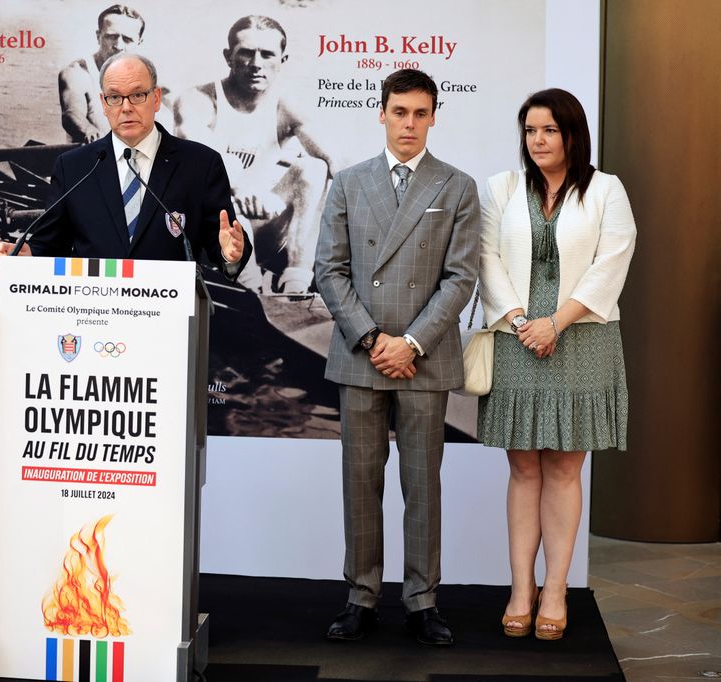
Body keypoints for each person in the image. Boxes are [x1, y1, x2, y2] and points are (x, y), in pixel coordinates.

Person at [315, 69, 480, 646]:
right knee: (360, 483)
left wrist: (409, 343)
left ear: (434, 116)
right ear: (380, 112)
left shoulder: (456, 187)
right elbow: (328, 271)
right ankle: (360, 597)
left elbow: (461, 278)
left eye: (420, 113)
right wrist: (371, 338)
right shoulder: (348, 182)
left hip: (423, 358)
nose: (409, 123)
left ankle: (422, 600)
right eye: (399, 111)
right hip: (363, 356)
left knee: (422, 484)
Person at [478, 88, 635, 640]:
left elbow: (611, 261)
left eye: (549, 129)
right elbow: (486, 257)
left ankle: (557, 587)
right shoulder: (501, 187)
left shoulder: (606, 190)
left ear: (572, 134)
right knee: (523, 467)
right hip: (517, 336)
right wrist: (524, 321)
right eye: (529, 130)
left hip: (582, 337)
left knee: (565, 468)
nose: (538, 140)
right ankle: (521, 588)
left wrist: (557, 322)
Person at [0, 52, 249, 273]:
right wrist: (28, 255)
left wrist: (231, 254)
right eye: (115, 98)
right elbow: (49, 244)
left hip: (169, 315)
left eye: (138, 95)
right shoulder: (73, 167)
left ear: (156, 98)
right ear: (104, 104)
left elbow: (223, 245)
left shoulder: (201, 164)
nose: (126, 108)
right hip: (93, 313)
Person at [173, 15, 335, 293]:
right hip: (213, 227)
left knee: (314, 169)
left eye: (267, 54)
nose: (257, 64)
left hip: (265, 220)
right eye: (246, 53)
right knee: (225, 197)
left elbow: (336, 162)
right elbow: (200, 152)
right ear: (228, 57)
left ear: (282, 60)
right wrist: (239, 186)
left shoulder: (288, 106)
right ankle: (249, 289)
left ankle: (296, 281)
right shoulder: (198, 100)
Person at [58, 5, 145, 144]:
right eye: (112, 37)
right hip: (91, 159)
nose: (119, 45)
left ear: (139, 43)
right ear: (98, 37)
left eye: (128, 39)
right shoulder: (77, 74)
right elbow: (71, 115)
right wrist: (89, 131)